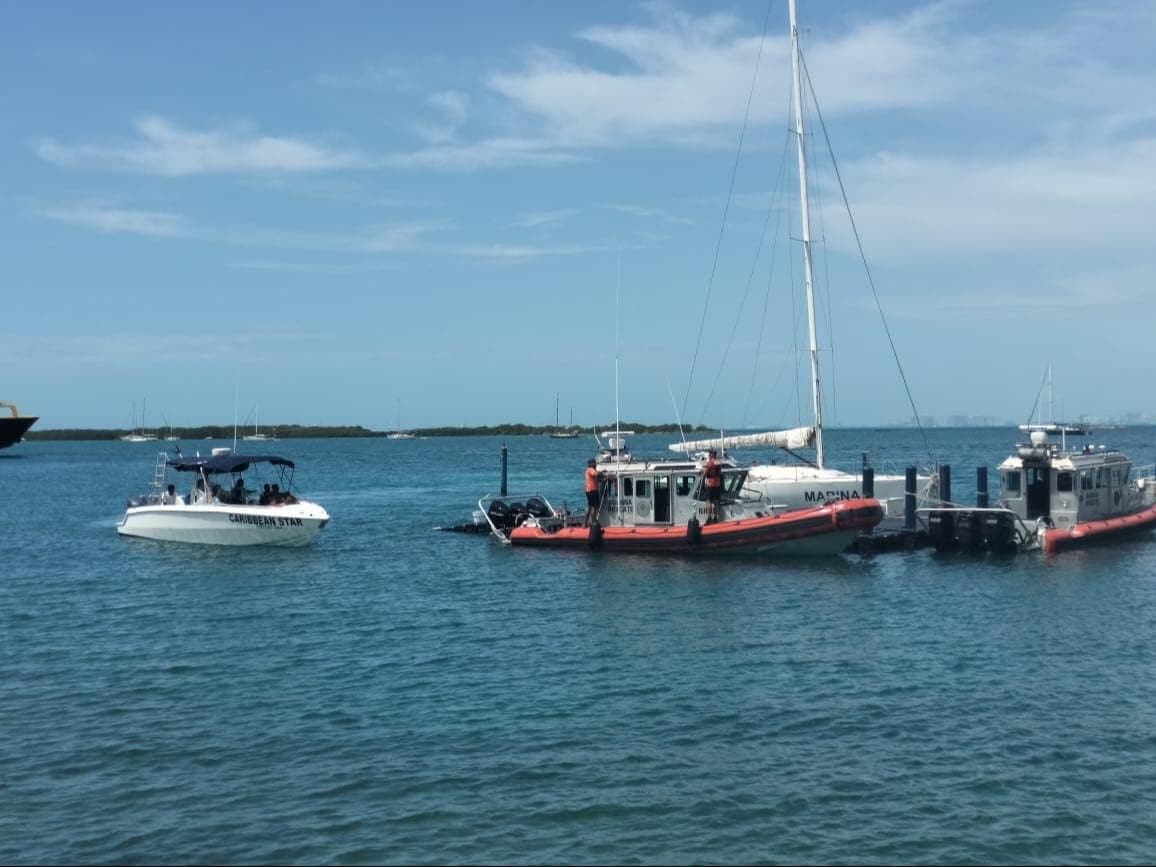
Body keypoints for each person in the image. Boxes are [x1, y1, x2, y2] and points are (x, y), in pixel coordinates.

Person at [703, 448, 723, 524]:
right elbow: (720, 473)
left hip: (710, 484)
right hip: (717, 484)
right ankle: (715, 518)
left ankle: (709, 518)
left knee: (708, 501)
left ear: (711, 455)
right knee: (716, 502)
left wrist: (703, 472)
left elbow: (705, 473)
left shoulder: (709, 463)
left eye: (709, 455)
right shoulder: (719, 463)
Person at [584, 458, 601, 527]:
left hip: (589, 490)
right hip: (592, 490)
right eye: (595, 464)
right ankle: (592, 522)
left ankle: (586, 523)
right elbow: (596, 474)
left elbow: (595, 478)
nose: (596, 465)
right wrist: (602, 472)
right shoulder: (591, 470)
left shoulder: (588, 471)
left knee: (590, 507)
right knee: (595, 507)